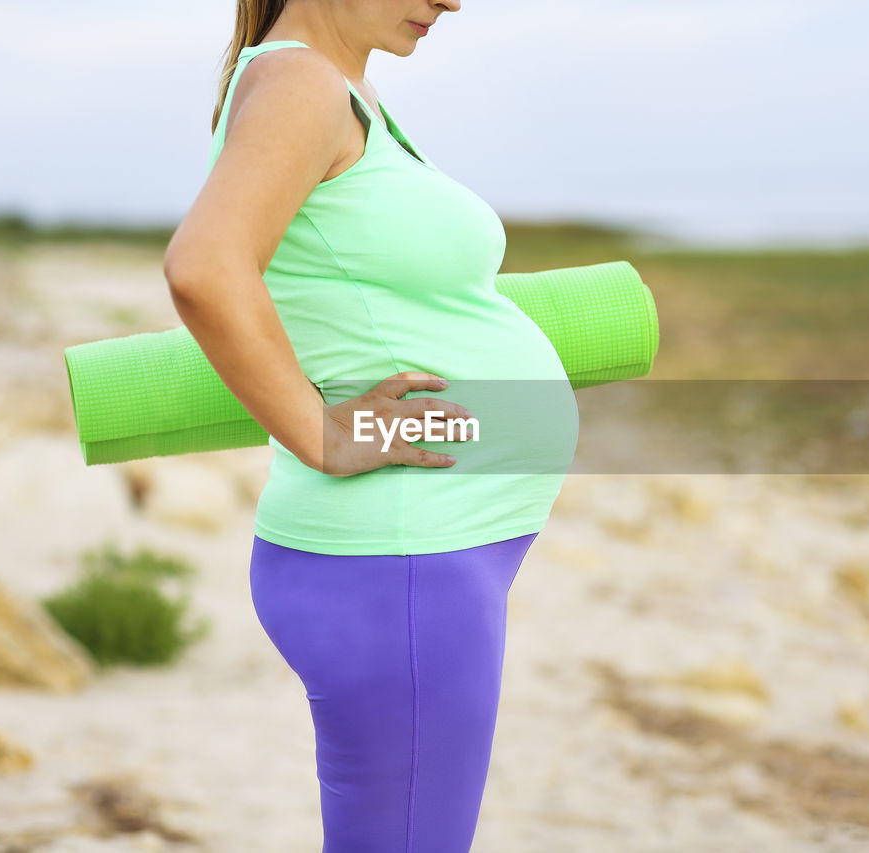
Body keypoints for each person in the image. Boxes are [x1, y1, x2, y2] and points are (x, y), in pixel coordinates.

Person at [162, 1, 579, 849]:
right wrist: (320, 430)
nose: (453, 1)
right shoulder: (297, 84)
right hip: (398, 562)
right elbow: (204, 268)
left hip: (419, 560)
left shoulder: (334, 87)